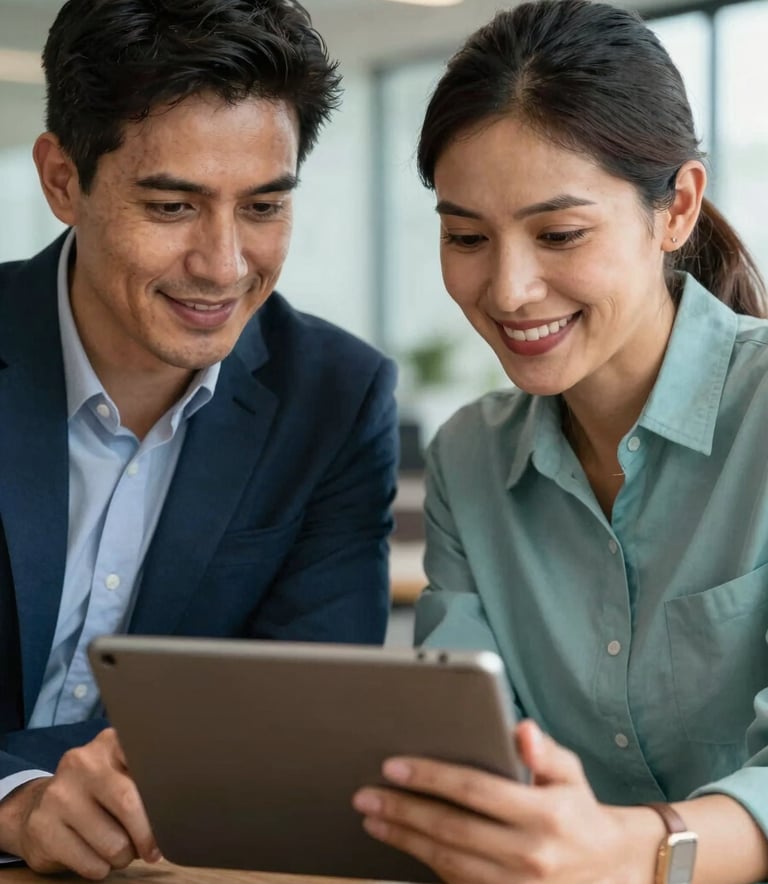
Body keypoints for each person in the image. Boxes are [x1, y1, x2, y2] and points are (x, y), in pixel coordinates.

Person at [351, 1, 768, 882]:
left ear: (677, 209)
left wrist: (637, 852)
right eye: (465, 236)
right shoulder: (472, 459)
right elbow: (468, 745)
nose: (507, 289)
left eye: (560, 234)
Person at [0, 0, 398, 877]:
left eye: (262, 207)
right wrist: (18, 794)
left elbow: (297, 723)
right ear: (62, 180)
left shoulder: (334, 398)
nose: (223, 264)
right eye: (173, 205)